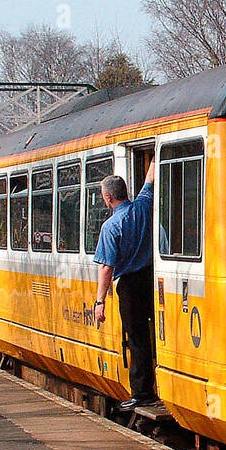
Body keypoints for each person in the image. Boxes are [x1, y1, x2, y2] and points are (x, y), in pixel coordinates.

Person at [93, 160, 156, 412]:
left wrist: (100, 302)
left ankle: (142, 393)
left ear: (108, 198)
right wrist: (154, 157)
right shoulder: (143, 206)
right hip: (151, 279)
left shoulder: (111, 227)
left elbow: (106, 266)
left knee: (137, 338)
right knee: (155, 333)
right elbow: (150, 181)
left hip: (129, 285)